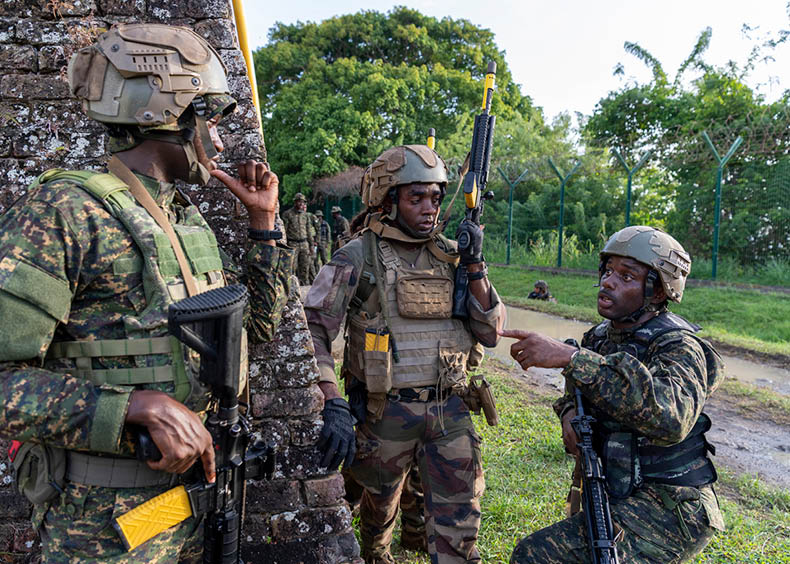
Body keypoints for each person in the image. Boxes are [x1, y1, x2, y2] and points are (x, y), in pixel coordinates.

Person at [0, 24, 292, 563]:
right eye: (211, 119)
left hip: (181, 508)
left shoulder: (185, 221)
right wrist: (130, 407)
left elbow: (254, 336)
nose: (222, 141)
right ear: (165, 114)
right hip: (100, 526)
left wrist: (263, 226)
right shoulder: (63, 213)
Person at [304, 144, 505, 564]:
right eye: (417, 197)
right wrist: (333, 399)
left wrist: (475, 266)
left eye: (435, 197)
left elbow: (490, 332)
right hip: (384, 414)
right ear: (388, 200)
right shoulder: (358, 255)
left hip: (449, 410)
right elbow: (314, 331)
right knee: (379, 510)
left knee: (460, 521)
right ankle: (377, 552)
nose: (430, 208)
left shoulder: (454, 257)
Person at [500, 226, 725, 563]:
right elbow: (577, 395)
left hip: (673, 506)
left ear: (658, 292)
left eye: (626, 276)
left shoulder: (678, 345)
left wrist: (571, 358)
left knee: (534, 556)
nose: (608, 282)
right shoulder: (602, 338)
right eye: (607, 271)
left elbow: (671, 418)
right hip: (620, 489)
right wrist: (568, 415)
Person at [281, 192, 314, 285]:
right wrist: (284, 245)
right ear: (295, 202)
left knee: (305, 267)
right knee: (292, 267)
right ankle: (291, 287)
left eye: (303, 202)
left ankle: (305, 287)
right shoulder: (287, 214)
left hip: (304, 243)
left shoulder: (306, 215)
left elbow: (309, 231)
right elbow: (284, 230)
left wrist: (311, 245)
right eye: (299, 202)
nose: (301, 204)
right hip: (292, 244)